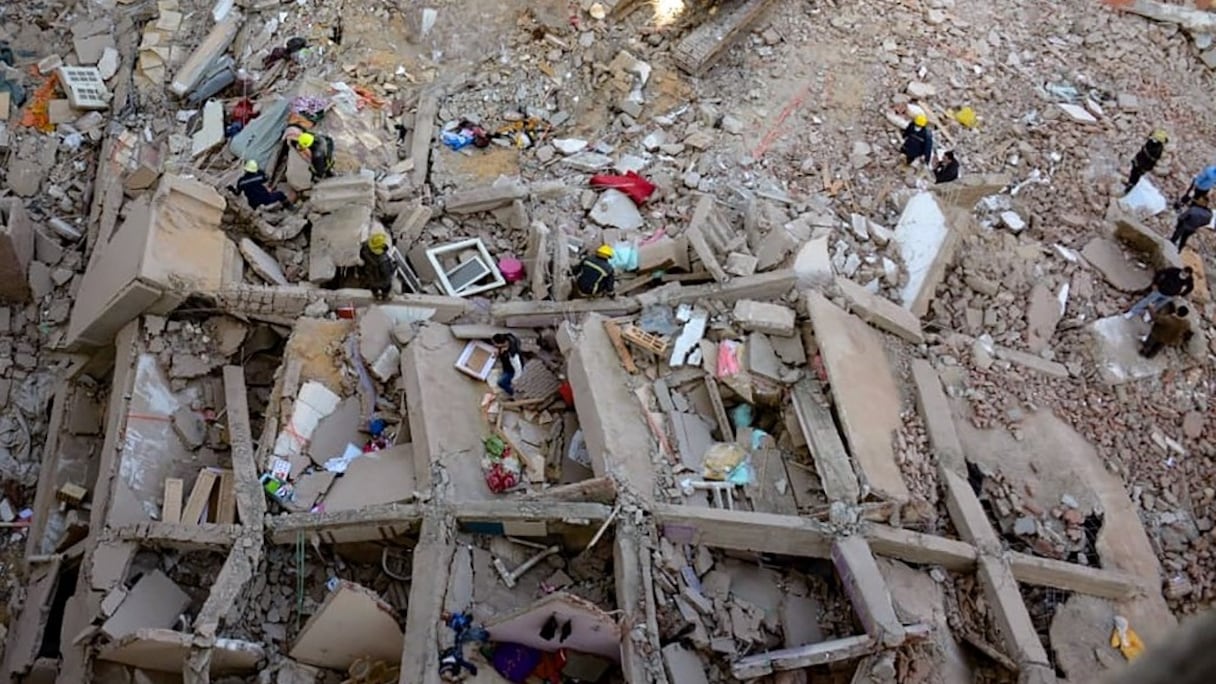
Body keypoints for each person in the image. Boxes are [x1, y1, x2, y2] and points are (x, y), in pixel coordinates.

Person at [1126, 266, 1194, 319]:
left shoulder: (1189, 280)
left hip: (1170, 295)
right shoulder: (1174, 271)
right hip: (1160, 290)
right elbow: (1160, 272)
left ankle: (1148, 314)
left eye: (1186, 275)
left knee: (1158, 305)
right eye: (1184, 273)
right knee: (1147, 301)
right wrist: (1155, 283)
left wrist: (1181, 295)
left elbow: (1190, 288)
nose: (1184, 275)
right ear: (1182, 270)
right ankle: (1132, 312)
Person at [1125, 129, 1167, 193]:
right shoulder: (1152, 142)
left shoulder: (1157, 149)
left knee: (1136, 175)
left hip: (1143, 165)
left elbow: (1150, 159)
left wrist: (1143, 167)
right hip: (1139, 160)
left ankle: (1130, 186)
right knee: (1133, 172)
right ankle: (1130, 183)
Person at [359, 233, 395, 300]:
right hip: (382, 280)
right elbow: (387, 274)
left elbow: (362, 255)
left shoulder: (365, 251)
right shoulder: (383, 259)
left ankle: (375, 295)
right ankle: (385, 296)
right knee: (386, 286)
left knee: (374, 286)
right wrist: (393, 267)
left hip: (371, 277)